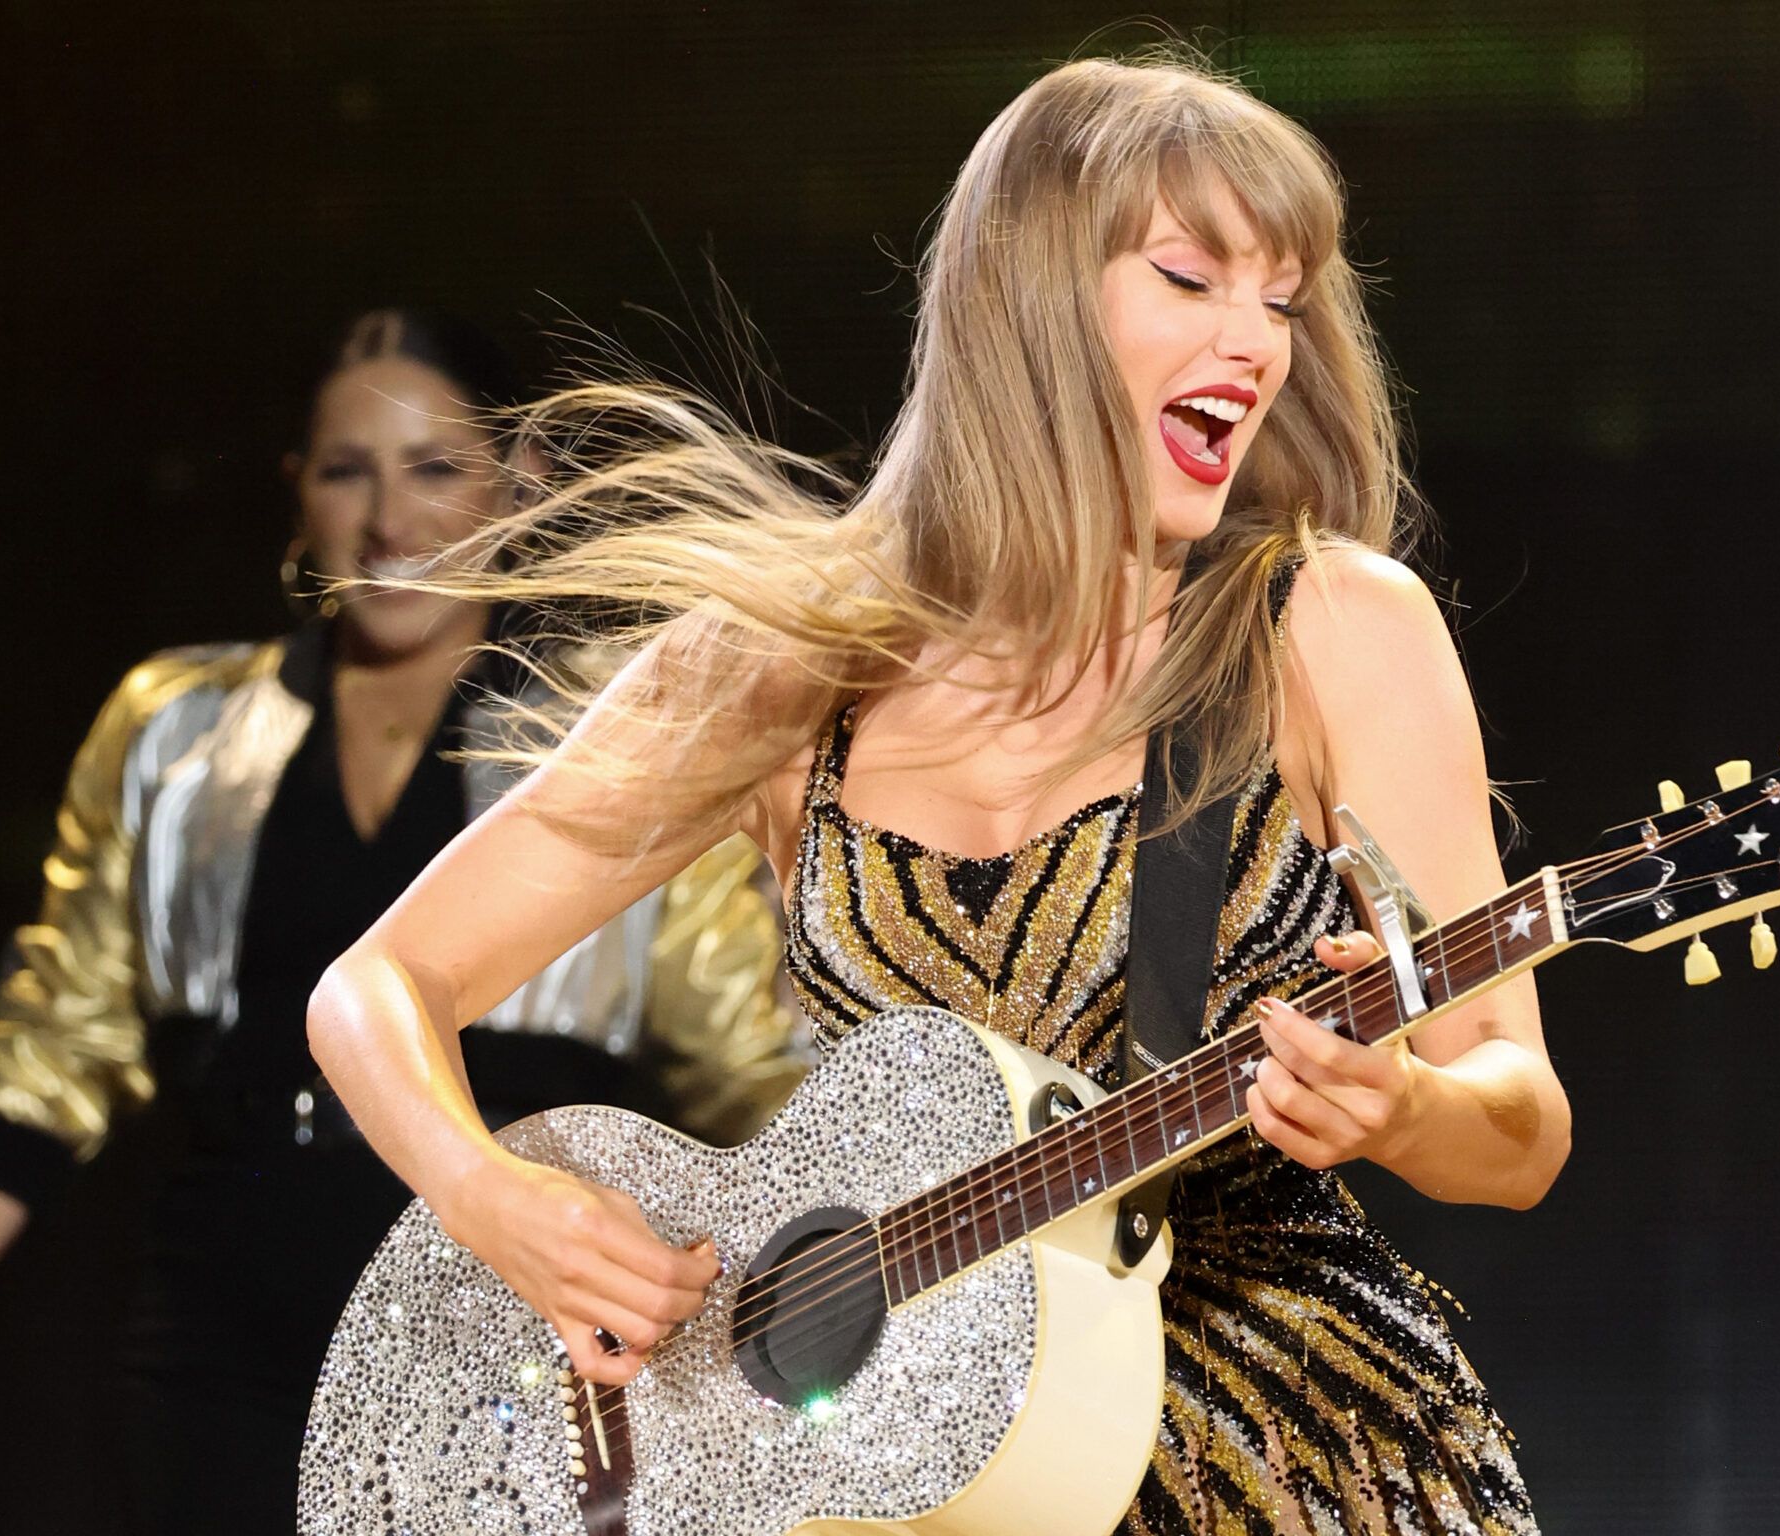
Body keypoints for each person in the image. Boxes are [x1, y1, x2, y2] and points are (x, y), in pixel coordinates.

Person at [308, 54, 1570, 1536]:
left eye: (1281, 300)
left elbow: (1520, 1116)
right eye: (1191, 279)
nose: (1255, 344)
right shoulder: (792, 671)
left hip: (1281, 1465)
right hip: (909, 1492)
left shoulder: (1330, 627)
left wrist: (1405, 1106)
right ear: (1031, 302)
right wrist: (499, 1204)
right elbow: (379, 984)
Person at [0, 309, 807, 1534]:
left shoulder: (613, 735)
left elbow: (758, 1065)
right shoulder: (181, 732)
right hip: (229, 1310)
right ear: (297, 493)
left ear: (519, 482)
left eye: (435, 466)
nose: (389, 521)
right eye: (346, 472)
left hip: (510, 1312)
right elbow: (44, 1054)